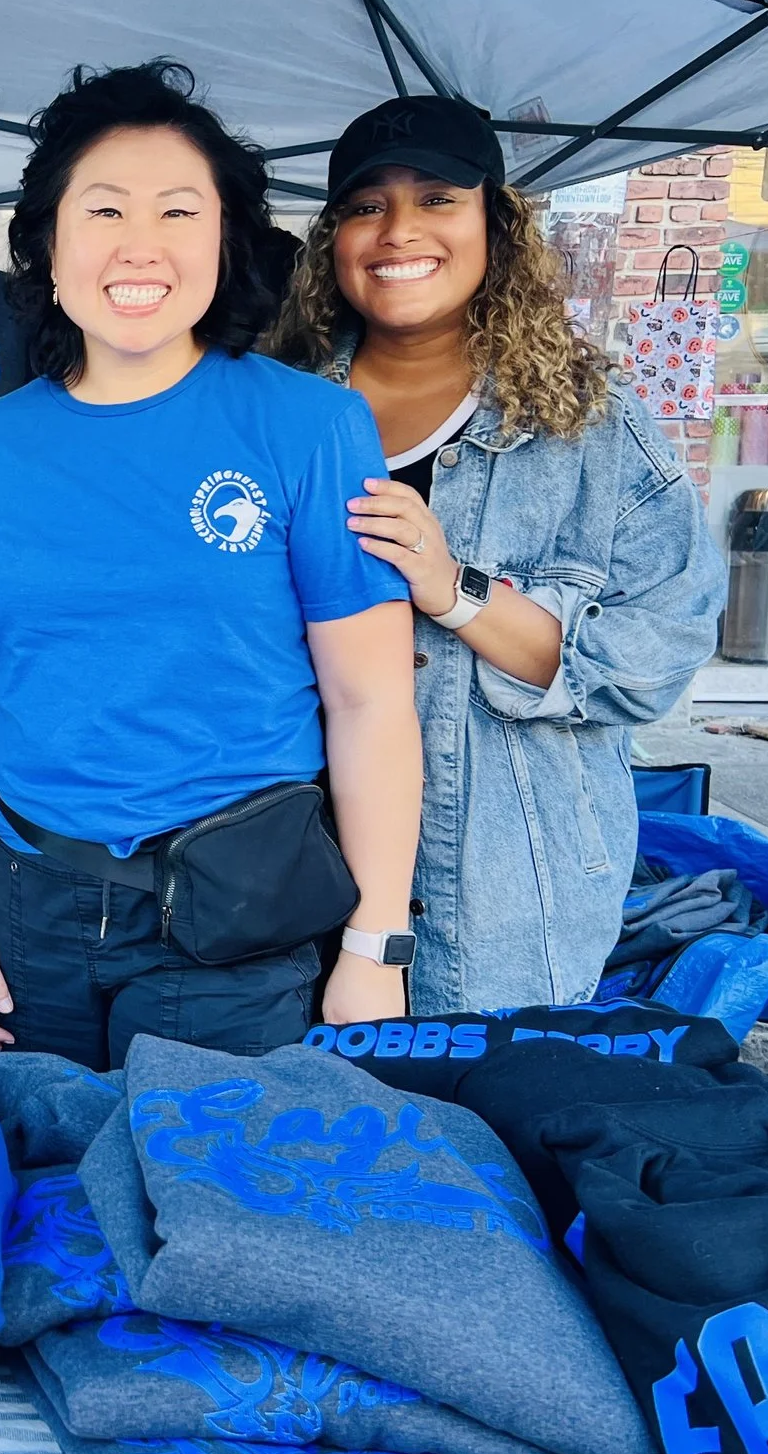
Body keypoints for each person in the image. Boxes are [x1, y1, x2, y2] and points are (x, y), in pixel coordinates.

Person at [0, 64, 423, 1065]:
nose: (138, 245)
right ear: (48, 245)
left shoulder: (309, 425)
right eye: (102, 209)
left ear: (222, 241)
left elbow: (369, 702)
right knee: (37, 1195)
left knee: (207, 1209)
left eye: (177, 211)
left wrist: (376, 941)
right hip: (23, 911)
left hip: (236, 918)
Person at [269, 94, 724, 1010]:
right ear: (331, 240)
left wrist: (456, 590)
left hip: (509, 899)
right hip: (276, 883)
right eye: (365, 205)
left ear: (496, 225)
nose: (399, 230)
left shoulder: (593, 432)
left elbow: (651, 658)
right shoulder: (272, 414)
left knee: (485, 1139)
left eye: (437, 197)